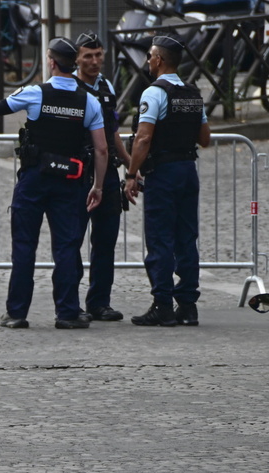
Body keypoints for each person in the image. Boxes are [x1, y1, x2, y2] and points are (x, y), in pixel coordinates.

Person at [0, 37, 108, 329]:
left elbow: (1, 106)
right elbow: (101, 149)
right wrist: (97, 186)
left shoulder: (36, 93)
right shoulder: (89, 100)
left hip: (35, 178)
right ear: (72, 64)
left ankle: (17, 313)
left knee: (24, 246)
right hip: (70, 181)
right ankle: (67, 313)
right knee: (66, 247)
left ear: (51, 62)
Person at [124, 34, 211, 326]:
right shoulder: (192, 93)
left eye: (150, 55)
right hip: (188, 170)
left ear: (159, 60)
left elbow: (143, 138)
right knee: (186, 238)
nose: (149, 60)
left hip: (163, 173)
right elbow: (205, 139)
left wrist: (131, 173)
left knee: (160, 239)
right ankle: (187, 306)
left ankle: (162, 304)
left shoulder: (154, 92)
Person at [73, 31, 132, 322]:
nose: (94, 61)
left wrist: (130, 166)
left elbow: (113, 133)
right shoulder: (67, 86)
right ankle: (70, 305)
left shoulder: (106, 86)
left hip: (107, 172)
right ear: (77, 58)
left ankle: (99, 302)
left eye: (98, 55)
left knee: (106, 240)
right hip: (77, 172)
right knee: (71, 240)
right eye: (88, 56)